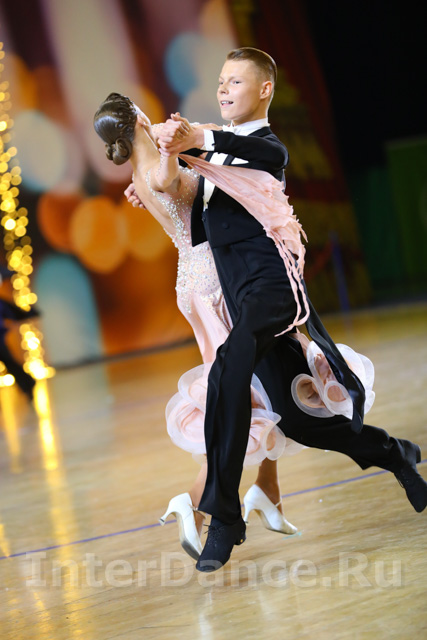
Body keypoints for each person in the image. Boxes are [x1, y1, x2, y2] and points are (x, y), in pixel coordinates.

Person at [157, 47, 427, 572]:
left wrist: (197, 139)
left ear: (264, 90)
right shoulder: (211, 159)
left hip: (275, 291)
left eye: (236, 81)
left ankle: (225, 517)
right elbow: (185, 204)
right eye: (221, 80)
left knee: (227, 372)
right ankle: (397, 454)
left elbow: (249, 151)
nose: (223, 88)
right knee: (301, 422)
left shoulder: (266, 148)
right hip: (242, 300)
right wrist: (157, 174)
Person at [94, 93, 304, 561]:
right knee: (244, 389)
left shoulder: (142, 170)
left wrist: (179, 144)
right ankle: (194, 501)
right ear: (137, 117)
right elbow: (171, 180)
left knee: (259, 381)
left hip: (196, 277)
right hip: (215, 279)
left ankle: (267, 489)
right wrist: (178, 146)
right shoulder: (156, 169)